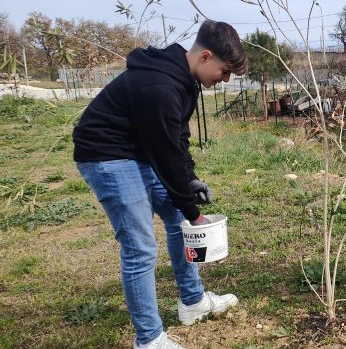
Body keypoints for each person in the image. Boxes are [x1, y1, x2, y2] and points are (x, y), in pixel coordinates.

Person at [73, 20, 248, 349]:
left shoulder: (184, 80)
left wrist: (190, 178)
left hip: (138, 150)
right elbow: (166, 156)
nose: (224, 80)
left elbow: (177, 137)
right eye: (224, 72)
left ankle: (193, 302)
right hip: (106, 154)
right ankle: (149, 339)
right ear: (206, 56)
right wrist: (193, 210)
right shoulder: (158, 86)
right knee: (140, 248)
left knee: (176, 221)